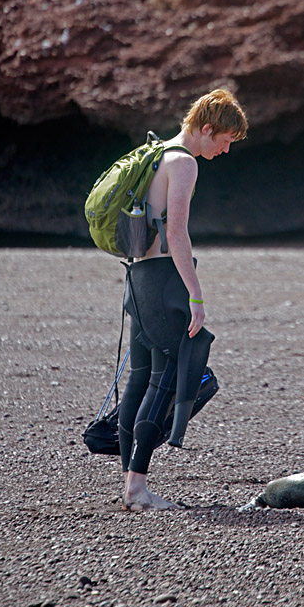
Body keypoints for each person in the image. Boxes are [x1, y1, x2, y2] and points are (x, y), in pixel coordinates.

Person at [118, 88, 248, 511]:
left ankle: (129, 483)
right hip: (163, 279)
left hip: (137, 277)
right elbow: (176, 233)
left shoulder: (156, 153)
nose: (226, 150)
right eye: (225, 140)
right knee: (167, 375)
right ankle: (137, 489)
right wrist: (195, 294)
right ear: (206, 129)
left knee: (139, 378)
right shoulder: (185, 163)